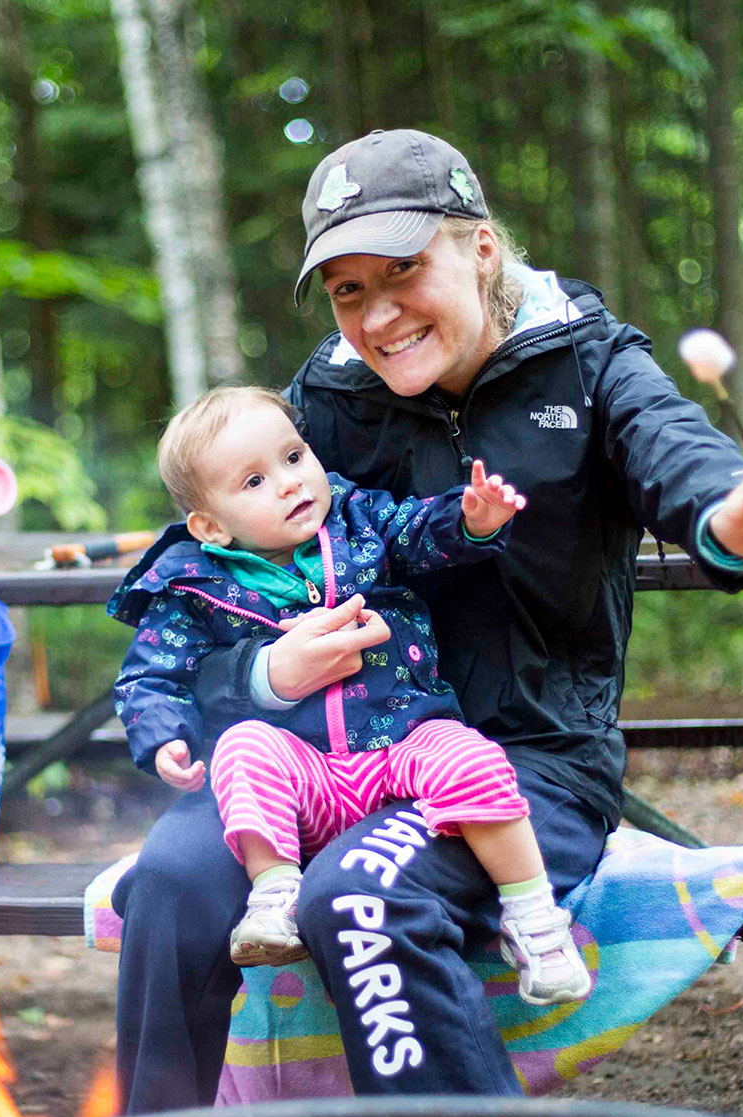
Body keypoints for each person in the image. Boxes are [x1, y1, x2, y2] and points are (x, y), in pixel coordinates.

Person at [111, 127, 743, 1115]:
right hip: (322, 754)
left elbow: (680, 456)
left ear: (480, 247)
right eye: (347, 288)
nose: (377, 316)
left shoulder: (590, 367)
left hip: (523, 760)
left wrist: (733, 515)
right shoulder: (324, 404)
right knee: (169, 878)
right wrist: (264, 677)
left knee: (359, 896)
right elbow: (195, 604)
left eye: (402, 270)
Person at [109, 384, 591, 1007]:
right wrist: (164, 735)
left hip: (403, 742)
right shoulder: (193, 585)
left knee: (472, 758)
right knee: (242, 745)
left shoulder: (358, 519)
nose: (289, 483)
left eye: (292, 457)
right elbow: (150, 676)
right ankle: (276, 896)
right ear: (210, 526)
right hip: (303, 773)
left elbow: (418, 530)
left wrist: (469, 519)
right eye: (253, 483)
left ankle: (534, 918)